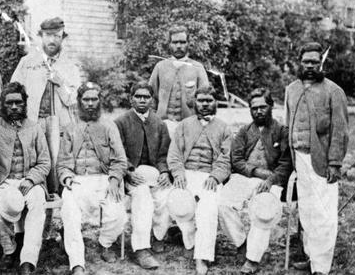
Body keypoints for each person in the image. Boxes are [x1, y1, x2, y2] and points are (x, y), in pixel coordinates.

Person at [285, 42, 348, 275]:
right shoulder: (291, 89)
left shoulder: (334, 91)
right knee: (308, 212)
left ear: (321, 62)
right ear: (299, 62)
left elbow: (340, 131)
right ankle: (311, 257)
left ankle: (321, 267)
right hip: (298, 159)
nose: (310, 66)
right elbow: (287, 122)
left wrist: (334, 163)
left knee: (324, 214)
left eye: (314, 61)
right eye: (305, 61)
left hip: (321, 162)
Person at [218, 88, 292, 274]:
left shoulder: (282, 131)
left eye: (263, 107)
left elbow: (285, 163)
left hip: (272, 181)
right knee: (223, 203)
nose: (258, 111)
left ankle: (252, 259)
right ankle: (241, 242)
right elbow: (236, 160)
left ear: (271, 107)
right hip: (245, 177)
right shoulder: (244, 131)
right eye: (254, 108)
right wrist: (257, 173)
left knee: (264, 209)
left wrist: (271, 179)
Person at [0, 82, 50, 275]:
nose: (14, 107)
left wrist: (31, 180)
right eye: (9, 103)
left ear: (25, 104)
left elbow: (44, 162)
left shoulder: (34, 128)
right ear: (3, 104)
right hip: (3, 182)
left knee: (38, 203)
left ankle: (28, 259)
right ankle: (9, 249)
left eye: (18, 103)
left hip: (29, 181)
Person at [57, 82, 128, 275]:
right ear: (79, 101)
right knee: (69, 213)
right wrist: (67, 178)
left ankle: (105, 243)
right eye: (86, 99)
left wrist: (114, 180)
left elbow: (120, 160)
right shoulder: (70, 128)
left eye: (94, 99)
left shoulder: (109, 126)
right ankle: (77, 262)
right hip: (78, 180)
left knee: (117, 214)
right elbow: (62, 163)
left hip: (104, 179)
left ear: (99, 101)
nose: (90, 103)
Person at [167, 85, 232, 275]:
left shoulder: (224, 128)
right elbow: (174, 154)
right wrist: (178, 174)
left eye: (209, 100)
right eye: (201, 100)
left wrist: (216, 176)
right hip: (187, 173)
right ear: (194, 103)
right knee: (178, 202)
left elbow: (226, 157)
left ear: (215, 103)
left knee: (208, 207)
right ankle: (190, 239)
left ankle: (202, 257)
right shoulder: (184, 125)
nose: (204, 104)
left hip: (210, 176)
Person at [114, 81, 172, 269]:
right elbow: (117, 153)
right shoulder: (121, 122)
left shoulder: (159, 124)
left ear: (152, 100)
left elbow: (164, 154)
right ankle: (141, 249)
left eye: (146, 97)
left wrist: (164, 172)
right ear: (131, 99)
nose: (142, 100)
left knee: (165, 196)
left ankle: (158, 236)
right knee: (143, 196)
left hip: (154, 174)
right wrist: (128, 171)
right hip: (131, 177)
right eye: (138, 96)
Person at [11, 17, 82, 130]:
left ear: (62, 38)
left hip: (60, 128)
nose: (52, 40)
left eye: (57, 36)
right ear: (41, 36)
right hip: (31, 124)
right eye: (48, 35)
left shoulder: (70, 67)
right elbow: (13, 93)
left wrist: (60, 84)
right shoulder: (26, 62)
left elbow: (74, 100)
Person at [149, 24, 209, 135]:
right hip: (163, 126)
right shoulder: (160, 67)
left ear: (188, 44)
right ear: (169, 44)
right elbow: (151, 97)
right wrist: (152, 122)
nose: (179, 46)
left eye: (182, 42)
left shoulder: (197, 68)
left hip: (190, 126)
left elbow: (206, 100)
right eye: (175, 42)